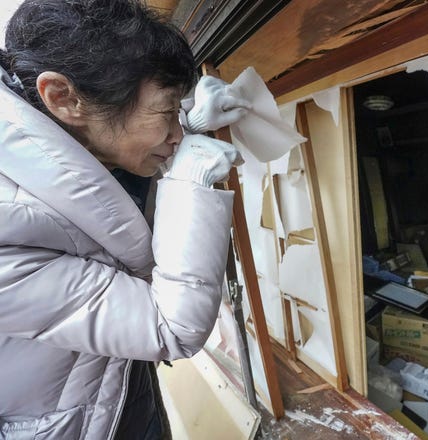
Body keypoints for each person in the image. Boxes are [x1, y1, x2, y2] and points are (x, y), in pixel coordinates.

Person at [0, 0, 251, 438]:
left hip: (110, 386)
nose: (174, 130)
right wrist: (190, 180)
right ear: (63, 97)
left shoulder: (68, 135)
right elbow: (168, 326)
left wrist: (184, 124)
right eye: (166, 108)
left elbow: (94, 193)